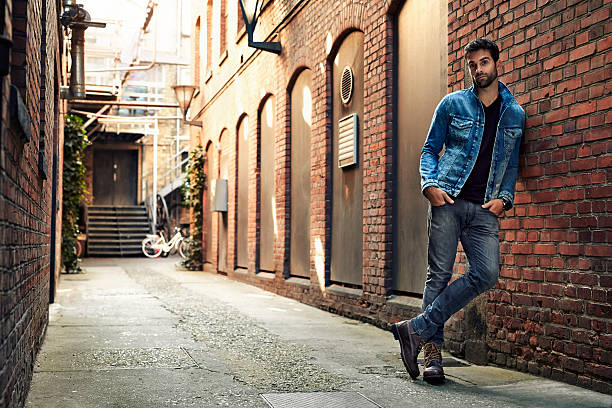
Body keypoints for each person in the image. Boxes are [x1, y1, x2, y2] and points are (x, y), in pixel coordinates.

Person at [391, 38, 525, 384]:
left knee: (487, 273)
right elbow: (429, 150)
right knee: (438, 275)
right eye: (473, 65)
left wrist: (505, 199)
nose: (478, 70)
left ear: (496, 63)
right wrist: (429, 186)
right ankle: (434, 357)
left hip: (484, 208)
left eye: (484, 63)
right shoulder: (452, 104)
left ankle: (415, 329)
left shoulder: (515, 114)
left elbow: (510, 165)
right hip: (448, 201)